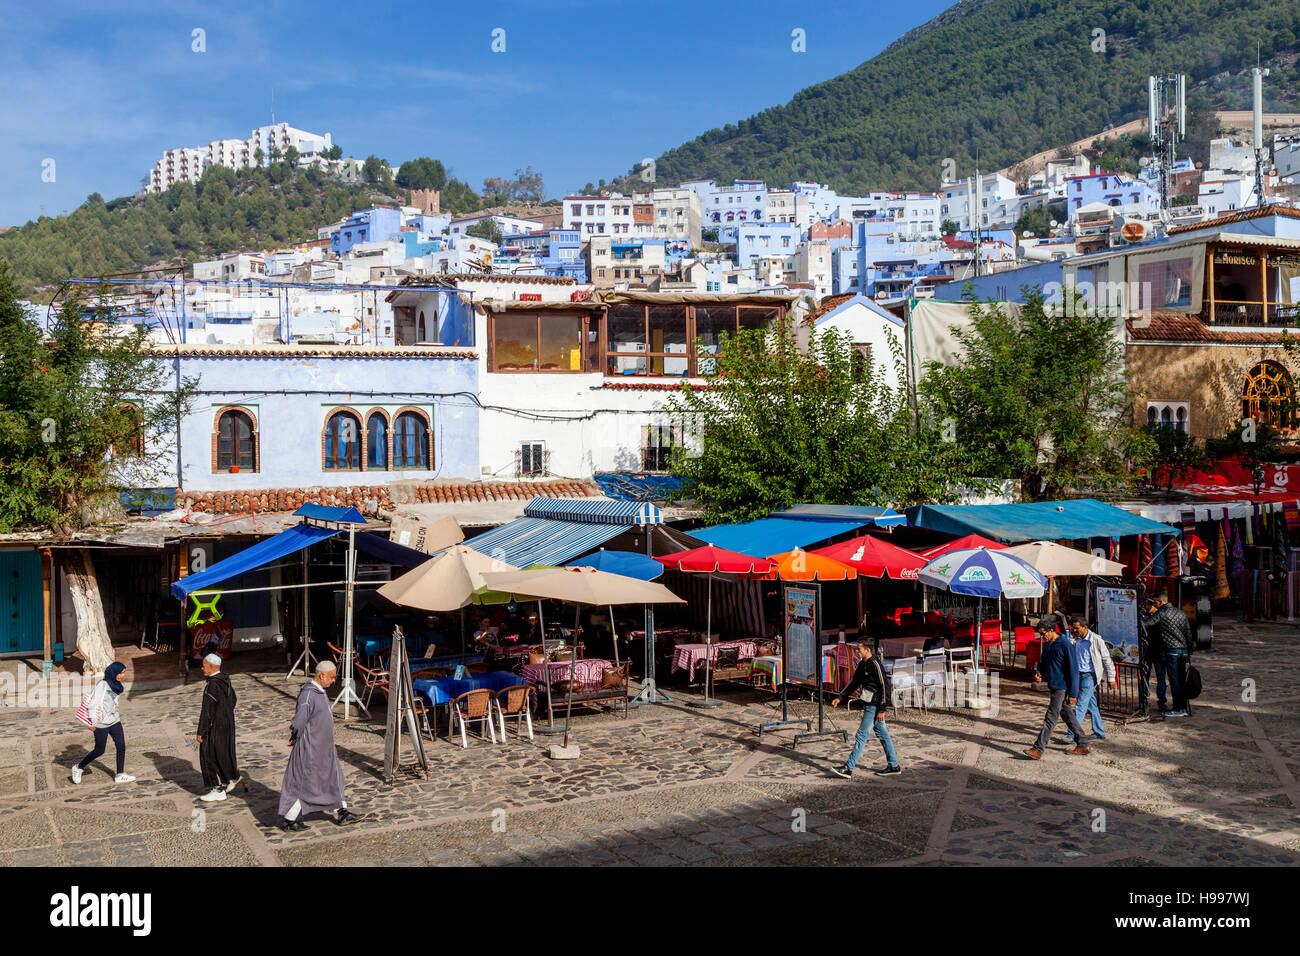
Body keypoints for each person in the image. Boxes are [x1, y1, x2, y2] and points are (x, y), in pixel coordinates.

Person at [278, 661, 356, 831]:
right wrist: (295, 735)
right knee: (305, 783)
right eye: (332, 677)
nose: (334, 680)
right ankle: (290, 820)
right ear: (322, 675)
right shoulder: (308, 695)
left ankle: (342, 811)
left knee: (333, 777)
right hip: (311, 748)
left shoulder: (319, 692)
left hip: (323, 747)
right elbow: (299, 721)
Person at [828, 641, 901, 777]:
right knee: (884, 736)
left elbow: (885, 687)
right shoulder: (863, 664)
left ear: (868, 649)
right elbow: (855, 682)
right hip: (869, 703)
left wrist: (882, 709)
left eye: (859, 649)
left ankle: (848, 768)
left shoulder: (875, 664)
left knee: (861, 735)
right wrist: (841, 697)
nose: (856, 651)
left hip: (874, 705)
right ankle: (894, 765)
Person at [1025, 621, 1090, 759]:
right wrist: (1039, 672)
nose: (1042, 637)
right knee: (1067, 716)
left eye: (1043, 634)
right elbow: (1044, 661)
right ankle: (1083, 743)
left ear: (1051, 630)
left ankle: (1038, 749)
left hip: (1062, 687)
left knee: (1050, 717)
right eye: (1040, 634)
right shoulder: (1048, 645)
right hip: (1053, 686)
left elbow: (1073, 670)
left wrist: (1073, 693)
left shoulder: (1065, 645)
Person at [71, 662, 135, 784]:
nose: (123, 675)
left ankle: (120, 774)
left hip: (114, 720)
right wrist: (93, 723)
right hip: (100, 722)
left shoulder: (117, 685)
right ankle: (78, 767)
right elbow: (94, 704)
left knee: (121, 745)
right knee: (100, 750)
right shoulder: (103, 685)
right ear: (114, 672)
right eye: (121, 672)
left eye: (124, 672)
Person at [1065, 617, 1116, 743]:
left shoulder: (1096, 640)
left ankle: (1072, 734)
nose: (1075, 630)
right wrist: (1070, 639)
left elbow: (1106, 659)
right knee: (1091, 705)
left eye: (1077, 628)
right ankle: (1099, 731)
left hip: (1090, 676)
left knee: (1080, 705)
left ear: (1085, 627)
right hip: (1078, 675)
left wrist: (1111, 677)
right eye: (1073, 628)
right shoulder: (1075, 640)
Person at [196, 653, 239, 802]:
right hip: (227, 724)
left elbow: (207, 711)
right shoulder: (225, 680)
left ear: (212, 666)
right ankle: (230, 778)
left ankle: (217, 788)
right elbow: (233, 699)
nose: (202, 668)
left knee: (208, 756)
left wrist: (201, 731)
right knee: (224, 753)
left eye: (204, 665)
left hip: (215, 726)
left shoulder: (212, 685)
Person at [1144, 591, 1192, 717]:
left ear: (1161, 601)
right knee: (1181, 680)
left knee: (1175, 680)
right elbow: (1188, 633)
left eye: (1155, 602)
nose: (1154, 604)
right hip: (1183, 650)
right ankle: (1183, 707)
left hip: (1171, 651)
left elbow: (1146, 624)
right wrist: (1190, 652)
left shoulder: (1161, 613)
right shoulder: (1181, 612)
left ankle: (1178, 708)